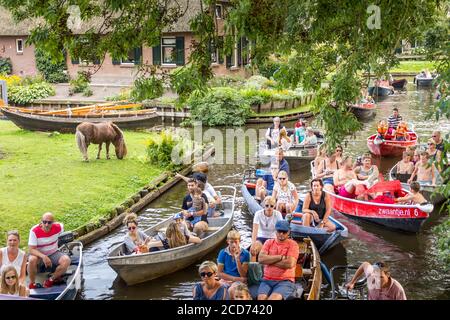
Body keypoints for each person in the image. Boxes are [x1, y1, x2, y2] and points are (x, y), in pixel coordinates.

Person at [257, 220, 299, 300]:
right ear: (275, 231)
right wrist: (280, 257)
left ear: (289, 232)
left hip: (285, 281)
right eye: (279, 231)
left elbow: (289, 264)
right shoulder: (268, 242)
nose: (281, 234)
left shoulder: (293, 244)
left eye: (284, 231)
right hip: (266, 280)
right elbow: (260, 259)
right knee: (261, 298)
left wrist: (269, 260)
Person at [28, 212, 71, 289]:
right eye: (44, 222)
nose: (46, 224)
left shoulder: (58, 227)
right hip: (39, 255)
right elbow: (31, 249)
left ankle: (51, 279)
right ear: (41, 222)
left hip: (53, 252)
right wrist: (43, 256)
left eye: (49, 222)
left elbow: (62, 226)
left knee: (66, 260)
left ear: (53, 222)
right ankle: (32, 283)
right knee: (32, 259)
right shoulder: (34, 231)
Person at [217, 230, 250, 299]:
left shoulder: (245, 254)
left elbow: (243, 275)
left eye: (236, 242)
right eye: (231, 242)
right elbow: (219, 273)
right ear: (227, 241)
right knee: (217, 289)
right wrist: (234, 278)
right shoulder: (223, 252)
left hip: (239, 281)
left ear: (239, 241)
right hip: (227, 279)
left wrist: (237, 259)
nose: (233, 244)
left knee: (231, 291)